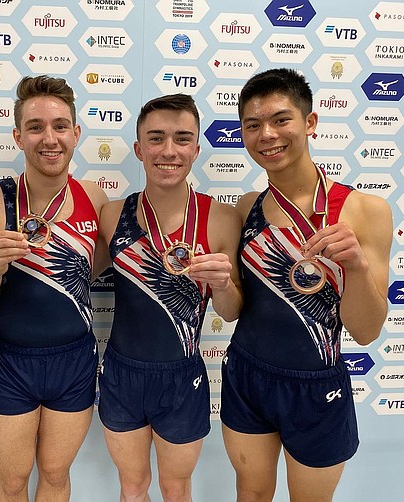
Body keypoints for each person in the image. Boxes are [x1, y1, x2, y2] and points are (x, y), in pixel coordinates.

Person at [221, 68, 393, 502]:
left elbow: (367, 330)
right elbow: (238, 306)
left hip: (318, 386)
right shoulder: (247, 208)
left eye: (281, 120)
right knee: (250, 494)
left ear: (310, 123)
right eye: (253, 125)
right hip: (247, 374)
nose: (267, 135)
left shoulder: (364, 210)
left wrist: (354, 267)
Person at [0, 75, 108, 502]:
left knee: (56, 476)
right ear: (18, 135)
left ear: (76, 134)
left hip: (74, 359)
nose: (49, 138)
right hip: (11, 362)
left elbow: (96, 269)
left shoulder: (95, 200)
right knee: (13, 479)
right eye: (36, 127)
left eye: (60, 126)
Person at [97, 93, 243, 502]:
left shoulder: (220, 218)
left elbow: (230, 312)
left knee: (176, 488)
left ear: (196, 148)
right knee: (132, 487)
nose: (169, 150)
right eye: (156, 138)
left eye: (182, 139)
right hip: (122, 373)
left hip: (182, 376)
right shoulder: (112, 215)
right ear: (139, 147)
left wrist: (225, 284)